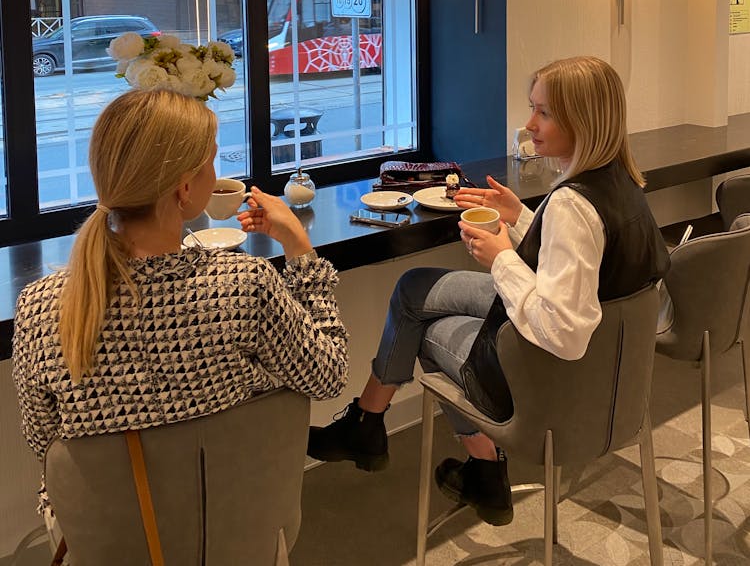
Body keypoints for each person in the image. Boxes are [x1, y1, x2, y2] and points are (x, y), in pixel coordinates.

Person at [307, 56, 670, 526]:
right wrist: (520, 218)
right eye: (532, 108)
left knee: (424, 331)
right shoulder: (621, 184)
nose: (529, 123)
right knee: (415, 288)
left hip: (546, 377)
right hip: (611, 375)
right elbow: (574, 273)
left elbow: (563, 330)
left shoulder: (572, 205)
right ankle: (372, 423)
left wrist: (500, 256)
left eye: (544, 112)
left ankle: (476, 463)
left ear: (583, 119)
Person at [13, 88, 349, 505]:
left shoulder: (39, 309)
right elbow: (328, 375)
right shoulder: (244, 286)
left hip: (109, 542)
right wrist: (299, 246)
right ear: (185, 189)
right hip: (235, 529)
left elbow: (48, 451)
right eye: (213, 159)